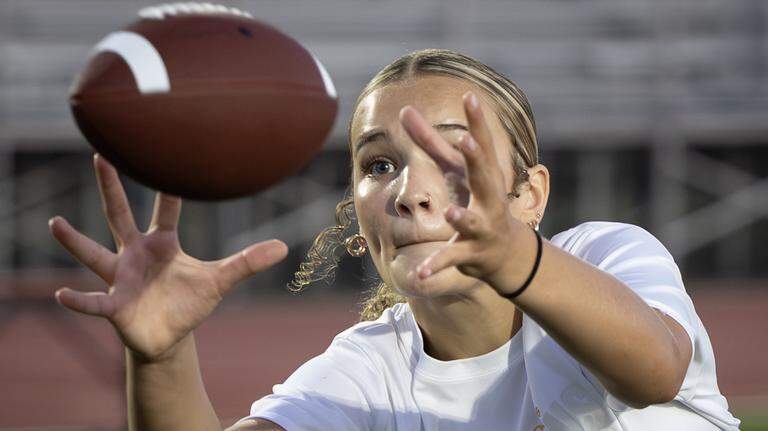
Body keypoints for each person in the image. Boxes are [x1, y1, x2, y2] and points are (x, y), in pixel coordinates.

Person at [48, 49, 741, 431]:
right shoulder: (372, 369)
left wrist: (517, 260)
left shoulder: (606, 254)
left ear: (529, 194)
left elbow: (656, 368)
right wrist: (164, 355)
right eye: (379, 164)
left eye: (453, 155)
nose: (410, 190)